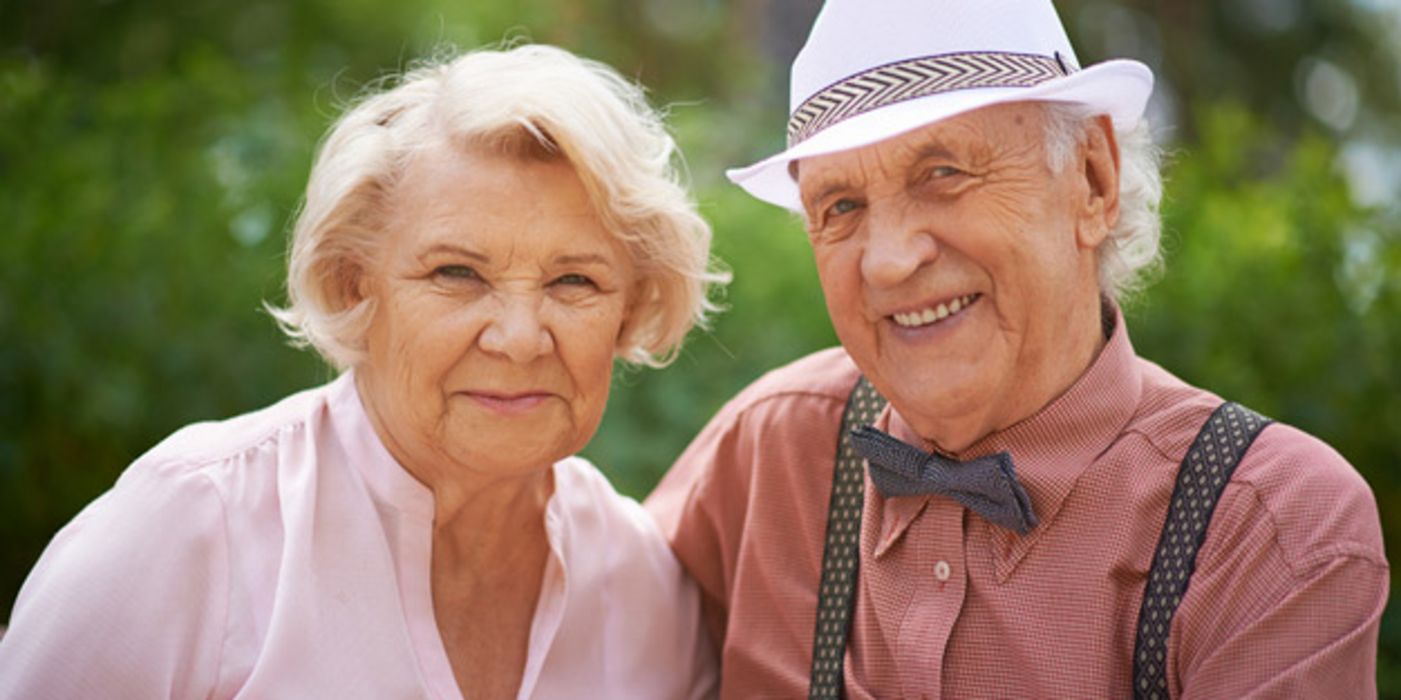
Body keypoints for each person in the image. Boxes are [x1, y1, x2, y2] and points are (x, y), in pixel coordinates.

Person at [646, 1, 1388, 697]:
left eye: (943, 173)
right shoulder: (773, 447)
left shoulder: (1265, 528)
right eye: (840, 207)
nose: (888, 260)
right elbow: (562, 610)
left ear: (1092, 181)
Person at [0, 44, 722, 699]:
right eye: (457, 273)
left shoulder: (645, 590)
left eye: (573, 283)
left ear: (631, 308)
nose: (519, 337)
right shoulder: (191, 528)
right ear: (353, 286)